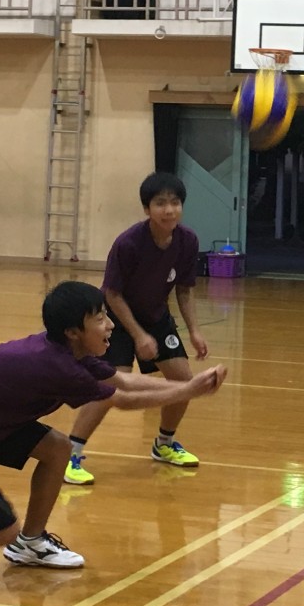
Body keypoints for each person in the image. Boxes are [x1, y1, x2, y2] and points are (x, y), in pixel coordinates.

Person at [0, 281, 226, 581]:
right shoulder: (57, 366)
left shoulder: (72, 353)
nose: (110, 325)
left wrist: (187, 386)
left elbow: (124, 381)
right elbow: (121, 399)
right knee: (0, 529)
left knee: (57, 448)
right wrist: (188, 391)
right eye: (100, 319)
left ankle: (31, 544)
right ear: (73, 332)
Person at [64, 171, 208, 486]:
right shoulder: (129, 243)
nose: (169, 210)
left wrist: (195, 331)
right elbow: (112, 294)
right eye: (160, 203)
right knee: (109, 388)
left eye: (175, 203)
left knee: (183, 381)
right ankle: (70, 453)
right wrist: (138, 335)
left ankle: (164, 444)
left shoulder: (187, 241)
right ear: (147, 209)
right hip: (115, 320)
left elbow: (184, 290)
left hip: (156, 317)